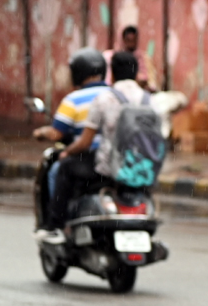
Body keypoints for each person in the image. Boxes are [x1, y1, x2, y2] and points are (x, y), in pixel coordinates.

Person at [44, 51, 144, 238]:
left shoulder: (101, 99)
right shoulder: (143, 99)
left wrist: (67, 151)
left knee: (61, 169)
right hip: (136, 164)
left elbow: (83, 141)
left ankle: (55, 225)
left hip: (104, 164)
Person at [33, 48, 109, 238]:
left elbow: (58, 133)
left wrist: (41, 132)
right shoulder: (115, 95)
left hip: (88, 158)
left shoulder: (73, 99)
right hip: (114, 158)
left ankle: (56, 224)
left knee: (56, 172)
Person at [103, 25, 156, 92]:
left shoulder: (144, 58)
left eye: (133, 40)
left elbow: (150, 82)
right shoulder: (111, 57)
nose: (131, 44)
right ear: (123, 40)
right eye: (128, 40)